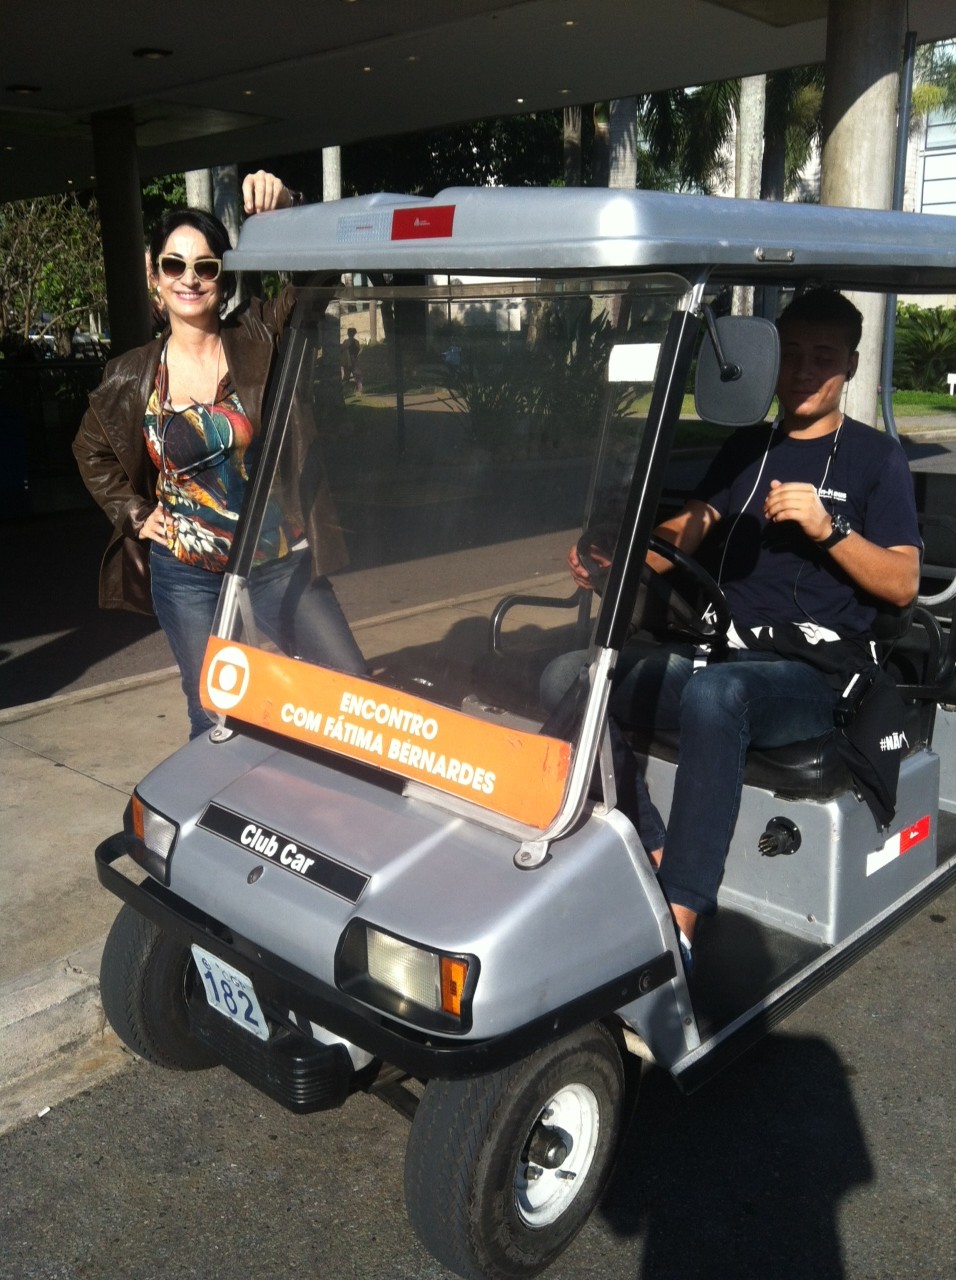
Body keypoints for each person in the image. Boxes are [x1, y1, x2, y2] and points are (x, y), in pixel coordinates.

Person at [548, 289, 921, 972]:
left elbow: (902, 582)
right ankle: (651, 844)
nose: (806, 373)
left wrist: (828, 528)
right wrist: (617, 555)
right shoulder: (747, 449)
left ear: (852, 366)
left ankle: (681, 918)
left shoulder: (875, 459)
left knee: (717, 698)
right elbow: (686, 531)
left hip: (819, 675)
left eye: (824, 359)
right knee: (570, 677)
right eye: (794, 357)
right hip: (724, 654)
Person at [74, 171, 366, 738]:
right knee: (214, 708)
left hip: (278, 558)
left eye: (205, 266)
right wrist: (136, 514)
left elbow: (318, 281)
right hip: (187, 574)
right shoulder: (132, 375)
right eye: (174, 265)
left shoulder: (258, 334)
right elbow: (91, 451)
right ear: (154, 274)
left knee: (349, 683)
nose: (190, 279)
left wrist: (289, 212)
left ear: (221, 275)